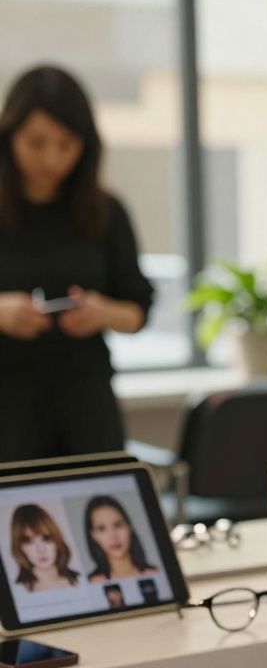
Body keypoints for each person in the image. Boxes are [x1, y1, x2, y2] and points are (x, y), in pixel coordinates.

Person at [0, 65, 154, 461]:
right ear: (10, 136)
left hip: (86, 403)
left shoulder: (105, 212)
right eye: (37, 143)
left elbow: (138, 309)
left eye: (67, 144)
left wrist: (102, 313)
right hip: (9, 402)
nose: (52, 158)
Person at [84, 495, 157, 583]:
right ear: (93, 535)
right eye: (101, 529)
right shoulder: (93, 581)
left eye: (118, 525)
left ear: (129, 527)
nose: (113, 536)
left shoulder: (155, 574)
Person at [8, 503, 80, 592]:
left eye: (46, 539)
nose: (41, 550)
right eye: (29, 542)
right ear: (20, 548)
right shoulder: (17, 591)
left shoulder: (79, 581)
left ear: (57, 541)